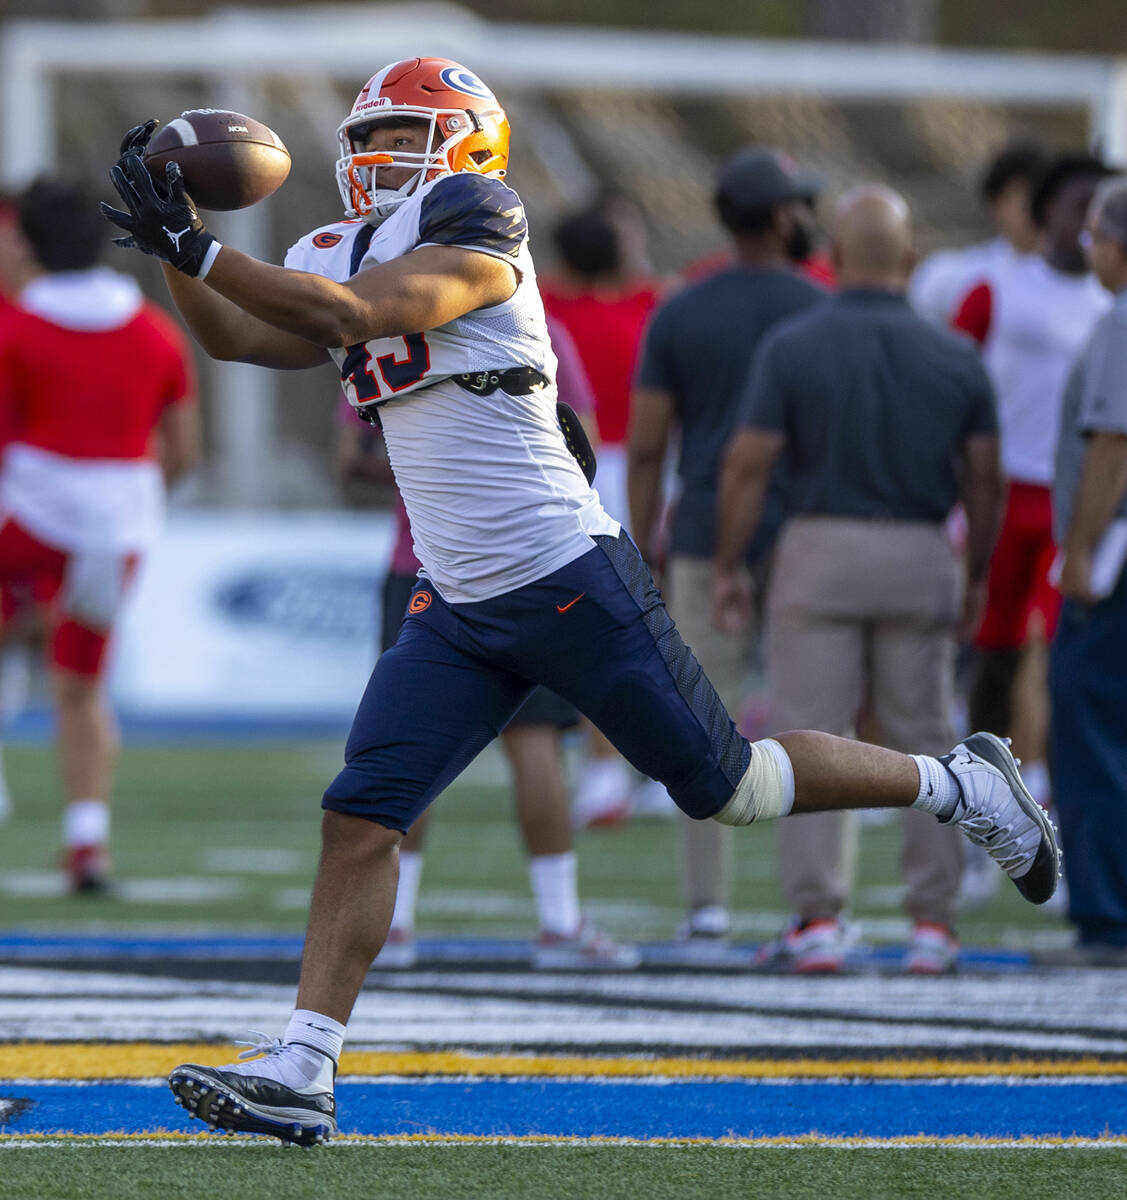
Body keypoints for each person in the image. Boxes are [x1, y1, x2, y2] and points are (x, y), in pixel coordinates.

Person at [100, 56, 1057, 1147]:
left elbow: (350, 311)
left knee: (729, 788)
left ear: (465, 146)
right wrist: (172, 244)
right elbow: (239, 332)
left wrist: (201, 245)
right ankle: (305, 1066)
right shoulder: (328, 244)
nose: (376, 160)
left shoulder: (477, 218)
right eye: (367, 139)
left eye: (404, 137)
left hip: (562, 572)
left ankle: (957, 782)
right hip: (456, 599)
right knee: (362, 814)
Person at [714, 186, 1004, 975]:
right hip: (919, 550)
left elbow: (748, 463)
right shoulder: (956, 353)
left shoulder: (795, 344)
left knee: (812, 731)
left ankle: (816, 918)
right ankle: (933, 924)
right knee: (926, 742)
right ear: (909, 261)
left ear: (834, 259)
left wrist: (733, 561)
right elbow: (984, 479)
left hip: (818, 549)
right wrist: (975, 569)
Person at [337, 319, 635, 970]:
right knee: (535, 744)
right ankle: (558, 922)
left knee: (409, 748)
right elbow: (578, 450)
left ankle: (395, 925)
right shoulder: (540, 326)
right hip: (525, 562)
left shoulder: (382, 336)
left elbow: (352, 459)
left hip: (423, 563)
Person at [627, 147, 827, 953]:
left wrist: (641, 540)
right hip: (806, 534)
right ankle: (816, 911)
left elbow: (645, 447)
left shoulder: (681, 309)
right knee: (815, 720)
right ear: (782, 217)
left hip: (708, 533)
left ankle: (707, 907)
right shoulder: (821, 305)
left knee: (699, 728)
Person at [0, 178, 198, 893]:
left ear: (26, 243)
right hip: (120, 523)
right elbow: (181, 452)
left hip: (27, 514)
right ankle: (88, 843)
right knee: (81, 685)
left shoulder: (16, 329)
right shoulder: (155, 330)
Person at [953, 153, 1117, 818]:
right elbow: (953, 377)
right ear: (1047, 209)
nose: (1090, 221)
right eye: (1082, 205)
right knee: (991, 651)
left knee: (1051, 647)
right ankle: (983, 785)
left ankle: (1045, 783)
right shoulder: (995, 288)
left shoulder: (1118, 302)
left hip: (1072, 500)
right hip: (999, 492)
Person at [540, 200, 668, 828]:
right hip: (644, 471)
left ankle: (601, 773)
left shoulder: (546, 307)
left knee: (591, 625)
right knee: (652, 624)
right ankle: (659, 765)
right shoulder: (649, 307)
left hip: (571, 467)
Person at [1046, 179, 1127, 964]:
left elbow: (1115, 441)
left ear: (1116, 245)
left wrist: (1078, 552)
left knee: (1097, 728)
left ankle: (1114, 918)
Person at [909, 141, 1047, 326]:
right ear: (995, 205)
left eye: (1042, 197)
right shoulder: (953, 276)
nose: (1033, 209)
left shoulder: (1080, 283)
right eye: (1022, 198)